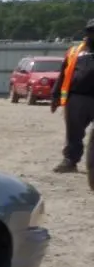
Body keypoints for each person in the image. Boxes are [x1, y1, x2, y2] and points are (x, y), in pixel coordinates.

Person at [51, 18, 94, 186]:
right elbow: (63, 74)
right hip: (76, 98)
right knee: (74, 132)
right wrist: (55, 96)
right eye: (91, 31)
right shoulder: (75, 51)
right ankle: (70, 161)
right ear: (87, 33)